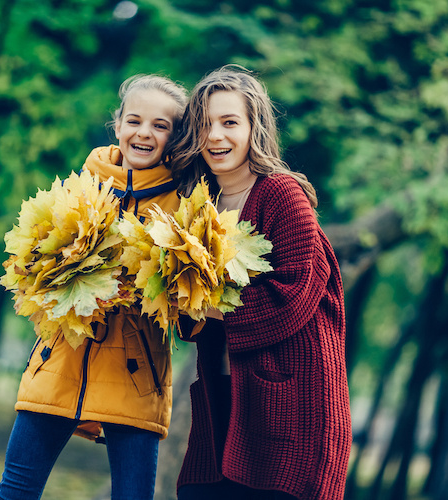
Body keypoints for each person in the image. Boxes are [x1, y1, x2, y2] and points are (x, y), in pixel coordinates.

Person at [0, 74, 188, 500]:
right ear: (117, 124)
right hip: (60, 361)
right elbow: (34, 271)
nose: (144, 133)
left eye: (161, 126)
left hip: (137, 377)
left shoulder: (185, 207)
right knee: (16, 491)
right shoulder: (79, 187)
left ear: (176, 138)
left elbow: (190, 311)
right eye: (135, 120)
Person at [168, 65, 352, 499]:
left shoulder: (283, 195)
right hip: (226, 397)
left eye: (229, 122)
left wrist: (197, 302)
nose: (215, 136)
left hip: (292, 407)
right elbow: (189, 317)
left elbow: (289, 299)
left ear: (255, 128)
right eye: (204, 124)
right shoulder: (199, 208)